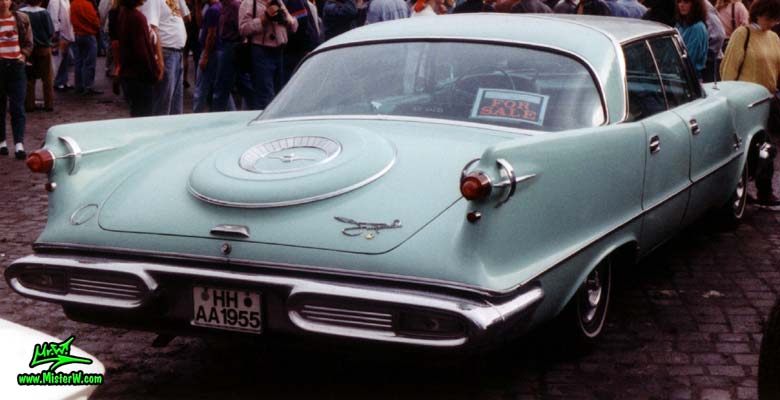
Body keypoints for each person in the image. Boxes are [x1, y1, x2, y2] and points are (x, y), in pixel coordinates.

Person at [720, 0, 780, 208]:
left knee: (767, 147)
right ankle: (740, 189)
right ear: (760, 13)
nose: (773, 22)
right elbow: (728, 69)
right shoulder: (742, 35)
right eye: (770, 17)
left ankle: (765, 190)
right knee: (747, 147)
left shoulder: (773, 38)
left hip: (768, 100)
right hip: (746, 102)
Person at [238, 0, 298, 110]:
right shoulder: (249, 3)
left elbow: (294, 26)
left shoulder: (278, 1)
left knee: (279, 93)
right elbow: (243, 29)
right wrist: (264, 19)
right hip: (261, 51)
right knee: (266, 96)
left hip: (279, 52)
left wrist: (285, 20)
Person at [140, 0, 189, 115]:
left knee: (175, 103)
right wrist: (159, 59)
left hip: (177, 52)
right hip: (166, 53)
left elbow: (187, 17)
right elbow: (152, 29)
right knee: (163, 103)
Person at [0, 0, 33, 159]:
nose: (3, 2)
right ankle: (2, 141)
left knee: (17, 106)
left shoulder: (21, 18)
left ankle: (19, 143)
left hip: (16, 65)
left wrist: (23, 55)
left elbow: (28, 42)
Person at [117, 0, 160, 116]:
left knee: (136, 112)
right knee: (144, 115)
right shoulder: (137, 17)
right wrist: (153, 72)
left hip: (130, 75)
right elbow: (142, 51)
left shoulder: (124, 13)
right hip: (140, 77)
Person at [19, 0, 54, 111]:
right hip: (43, 47)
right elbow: (50, 30)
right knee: (47, 78)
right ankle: (49, 104)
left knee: (29, 78)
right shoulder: (44, 13)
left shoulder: (20, 13)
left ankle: (29, 104)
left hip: (27, 49)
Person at [193, 0, 220, 112]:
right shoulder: (208, 8)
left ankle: (196, 115)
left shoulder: (213, 9)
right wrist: (198, 6)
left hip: (210, 52)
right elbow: (200, 25)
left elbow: (211, 34)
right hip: (212, 51)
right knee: (219, 87)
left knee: (201, 89)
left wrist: (205, 56)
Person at [70, 0, 101, 94]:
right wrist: (97, 28)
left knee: (78, 62)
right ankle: (88, 86)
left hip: (76, 34)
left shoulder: (73, 4)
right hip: (88, 34)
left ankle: (79, 86)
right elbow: (94, 20)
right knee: (89, 62)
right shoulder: (87, 4)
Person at [675, 0, 708, 80]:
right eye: (679, 2)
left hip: (691, 77)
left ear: (695, 5)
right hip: (679, 74)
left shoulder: (697, 28)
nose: (681, 5)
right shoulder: (680, 25)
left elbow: (690, 58)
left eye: (686, 2)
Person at [48, 0, 74, 91]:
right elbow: (53, 17)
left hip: (66, 33)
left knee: (65, 58)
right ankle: (58, 82)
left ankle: (64, 80)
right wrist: (56, 31)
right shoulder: (54, 1)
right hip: (60, 34)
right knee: (59, 58)